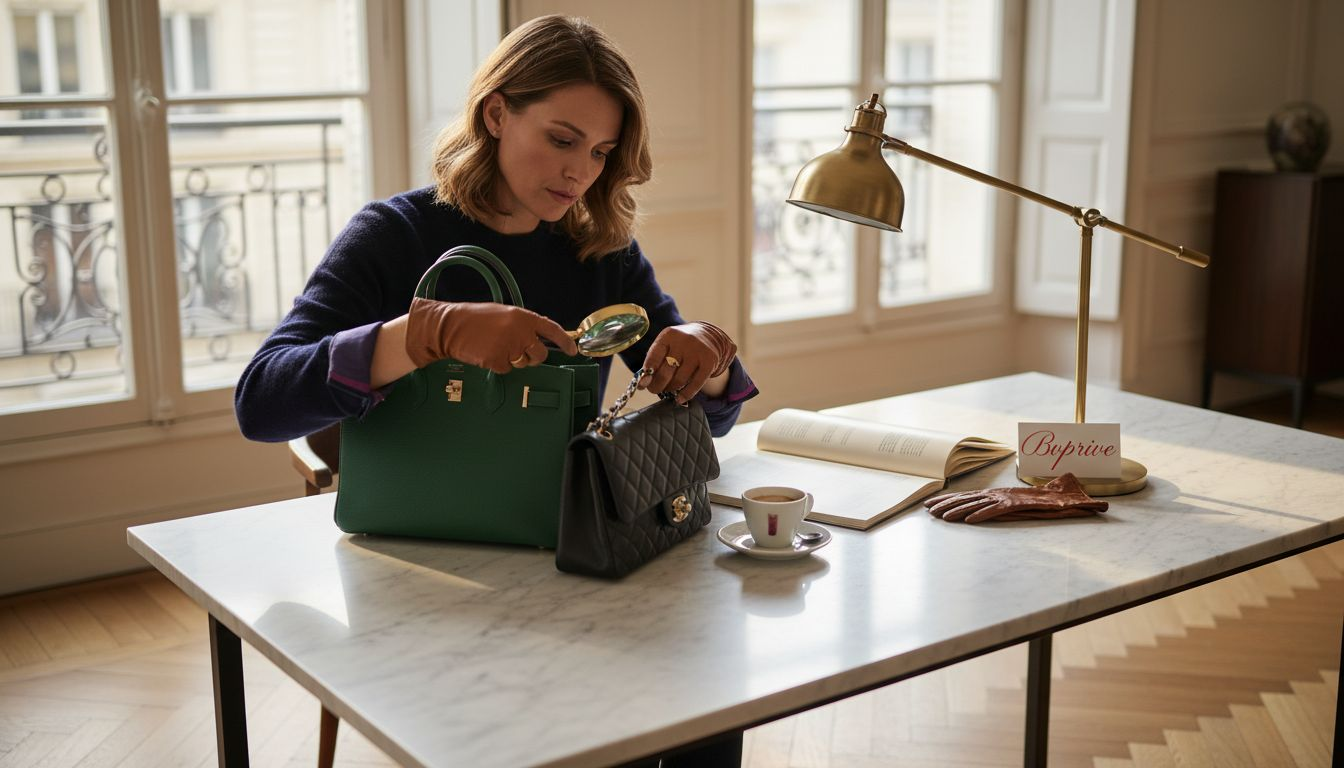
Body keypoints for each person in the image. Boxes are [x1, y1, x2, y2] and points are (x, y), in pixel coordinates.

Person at [235, 14, 756, 446]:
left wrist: (707, 359)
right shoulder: (393, 235)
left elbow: (714, 420)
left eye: (600, 152)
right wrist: (423, 337)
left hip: (558, 535)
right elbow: (260, 406)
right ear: (497, 114)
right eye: (561, 140)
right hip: (413, 540)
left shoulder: (601, 249)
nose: (581, 172)